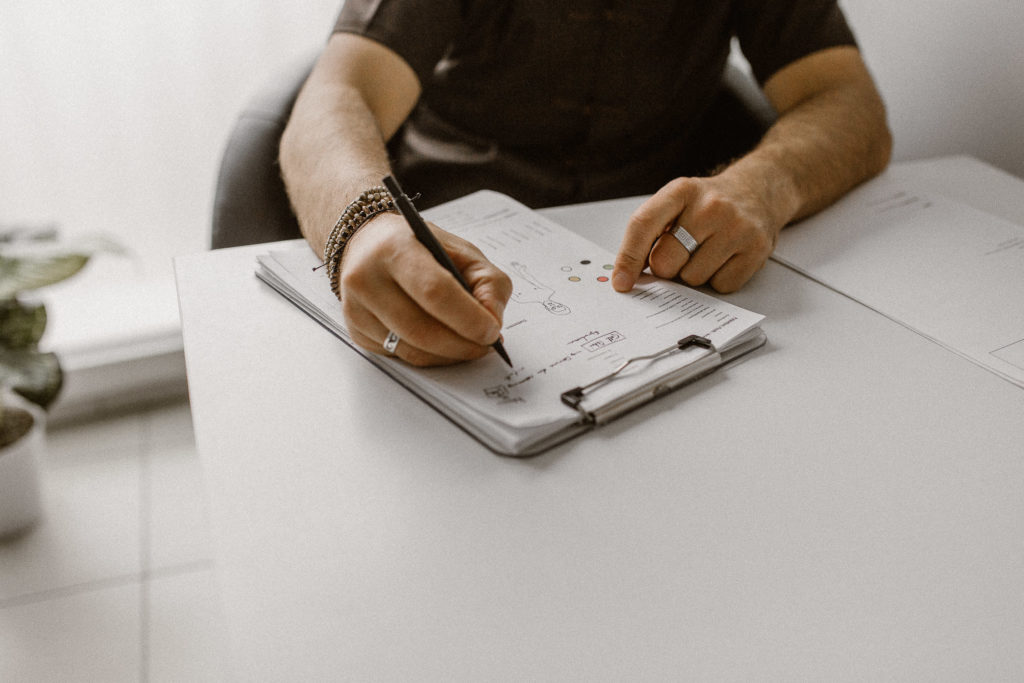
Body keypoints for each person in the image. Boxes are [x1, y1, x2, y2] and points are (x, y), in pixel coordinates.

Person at [279, 1, 892, 367]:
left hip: (657, 272)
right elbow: (338, 92)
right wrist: (364, 224)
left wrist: (762, 185)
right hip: (447, 241)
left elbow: (848, 98)